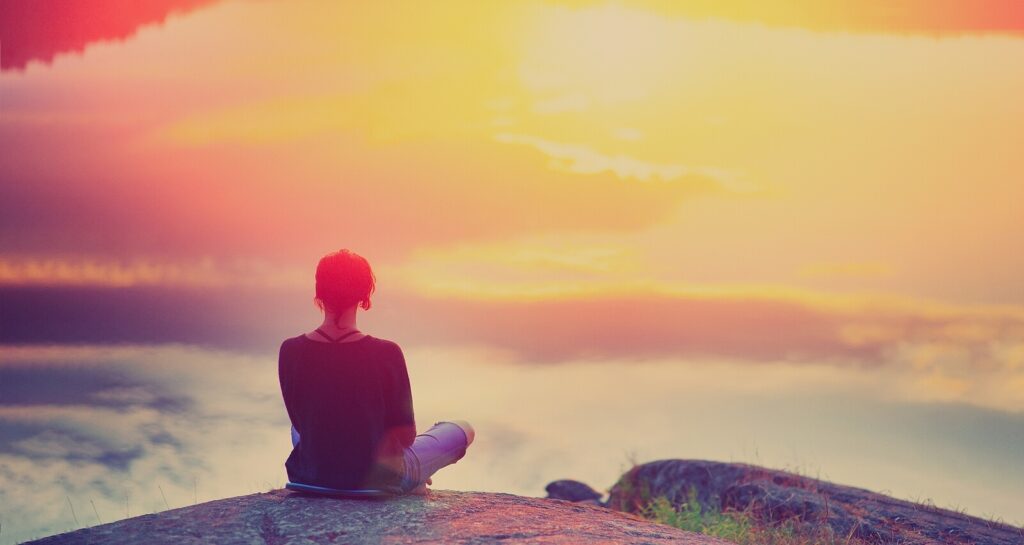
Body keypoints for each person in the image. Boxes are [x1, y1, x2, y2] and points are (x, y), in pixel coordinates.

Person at [278, 249, 474, 495]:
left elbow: (299, 422)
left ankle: (405, 478)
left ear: (319, 294)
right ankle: (412, 480)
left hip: (312, 476)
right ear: (364, 296)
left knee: (299, 429)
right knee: (462, 429)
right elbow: (406, 437)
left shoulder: (290, 350)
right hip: (378, 479)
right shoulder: (386, 353)